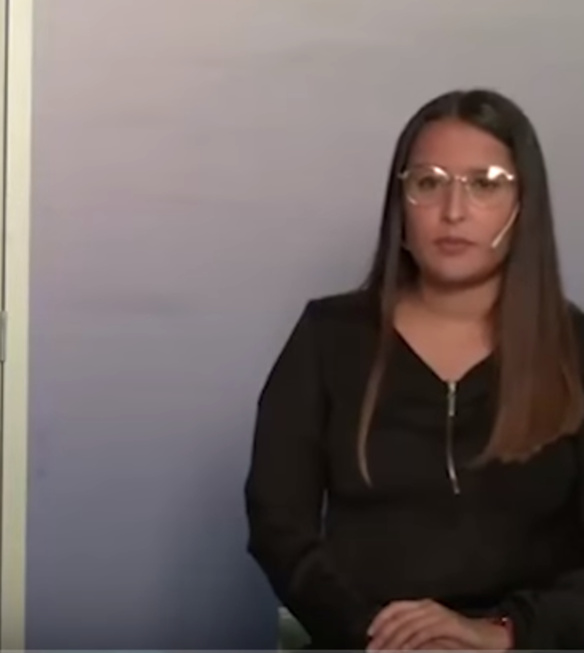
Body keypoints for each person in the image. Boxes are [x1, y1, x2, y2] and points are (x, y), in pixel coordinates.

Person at [245, 89, 584, 651]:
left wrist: (500, 634)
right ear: (402, 201)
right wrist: (382, 637)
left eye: (485, 184)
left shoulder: (575, 350)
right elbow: (279, 528)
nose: (453, 211)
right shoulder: (328, 338)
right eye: (428, 182)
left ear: (524, 204)